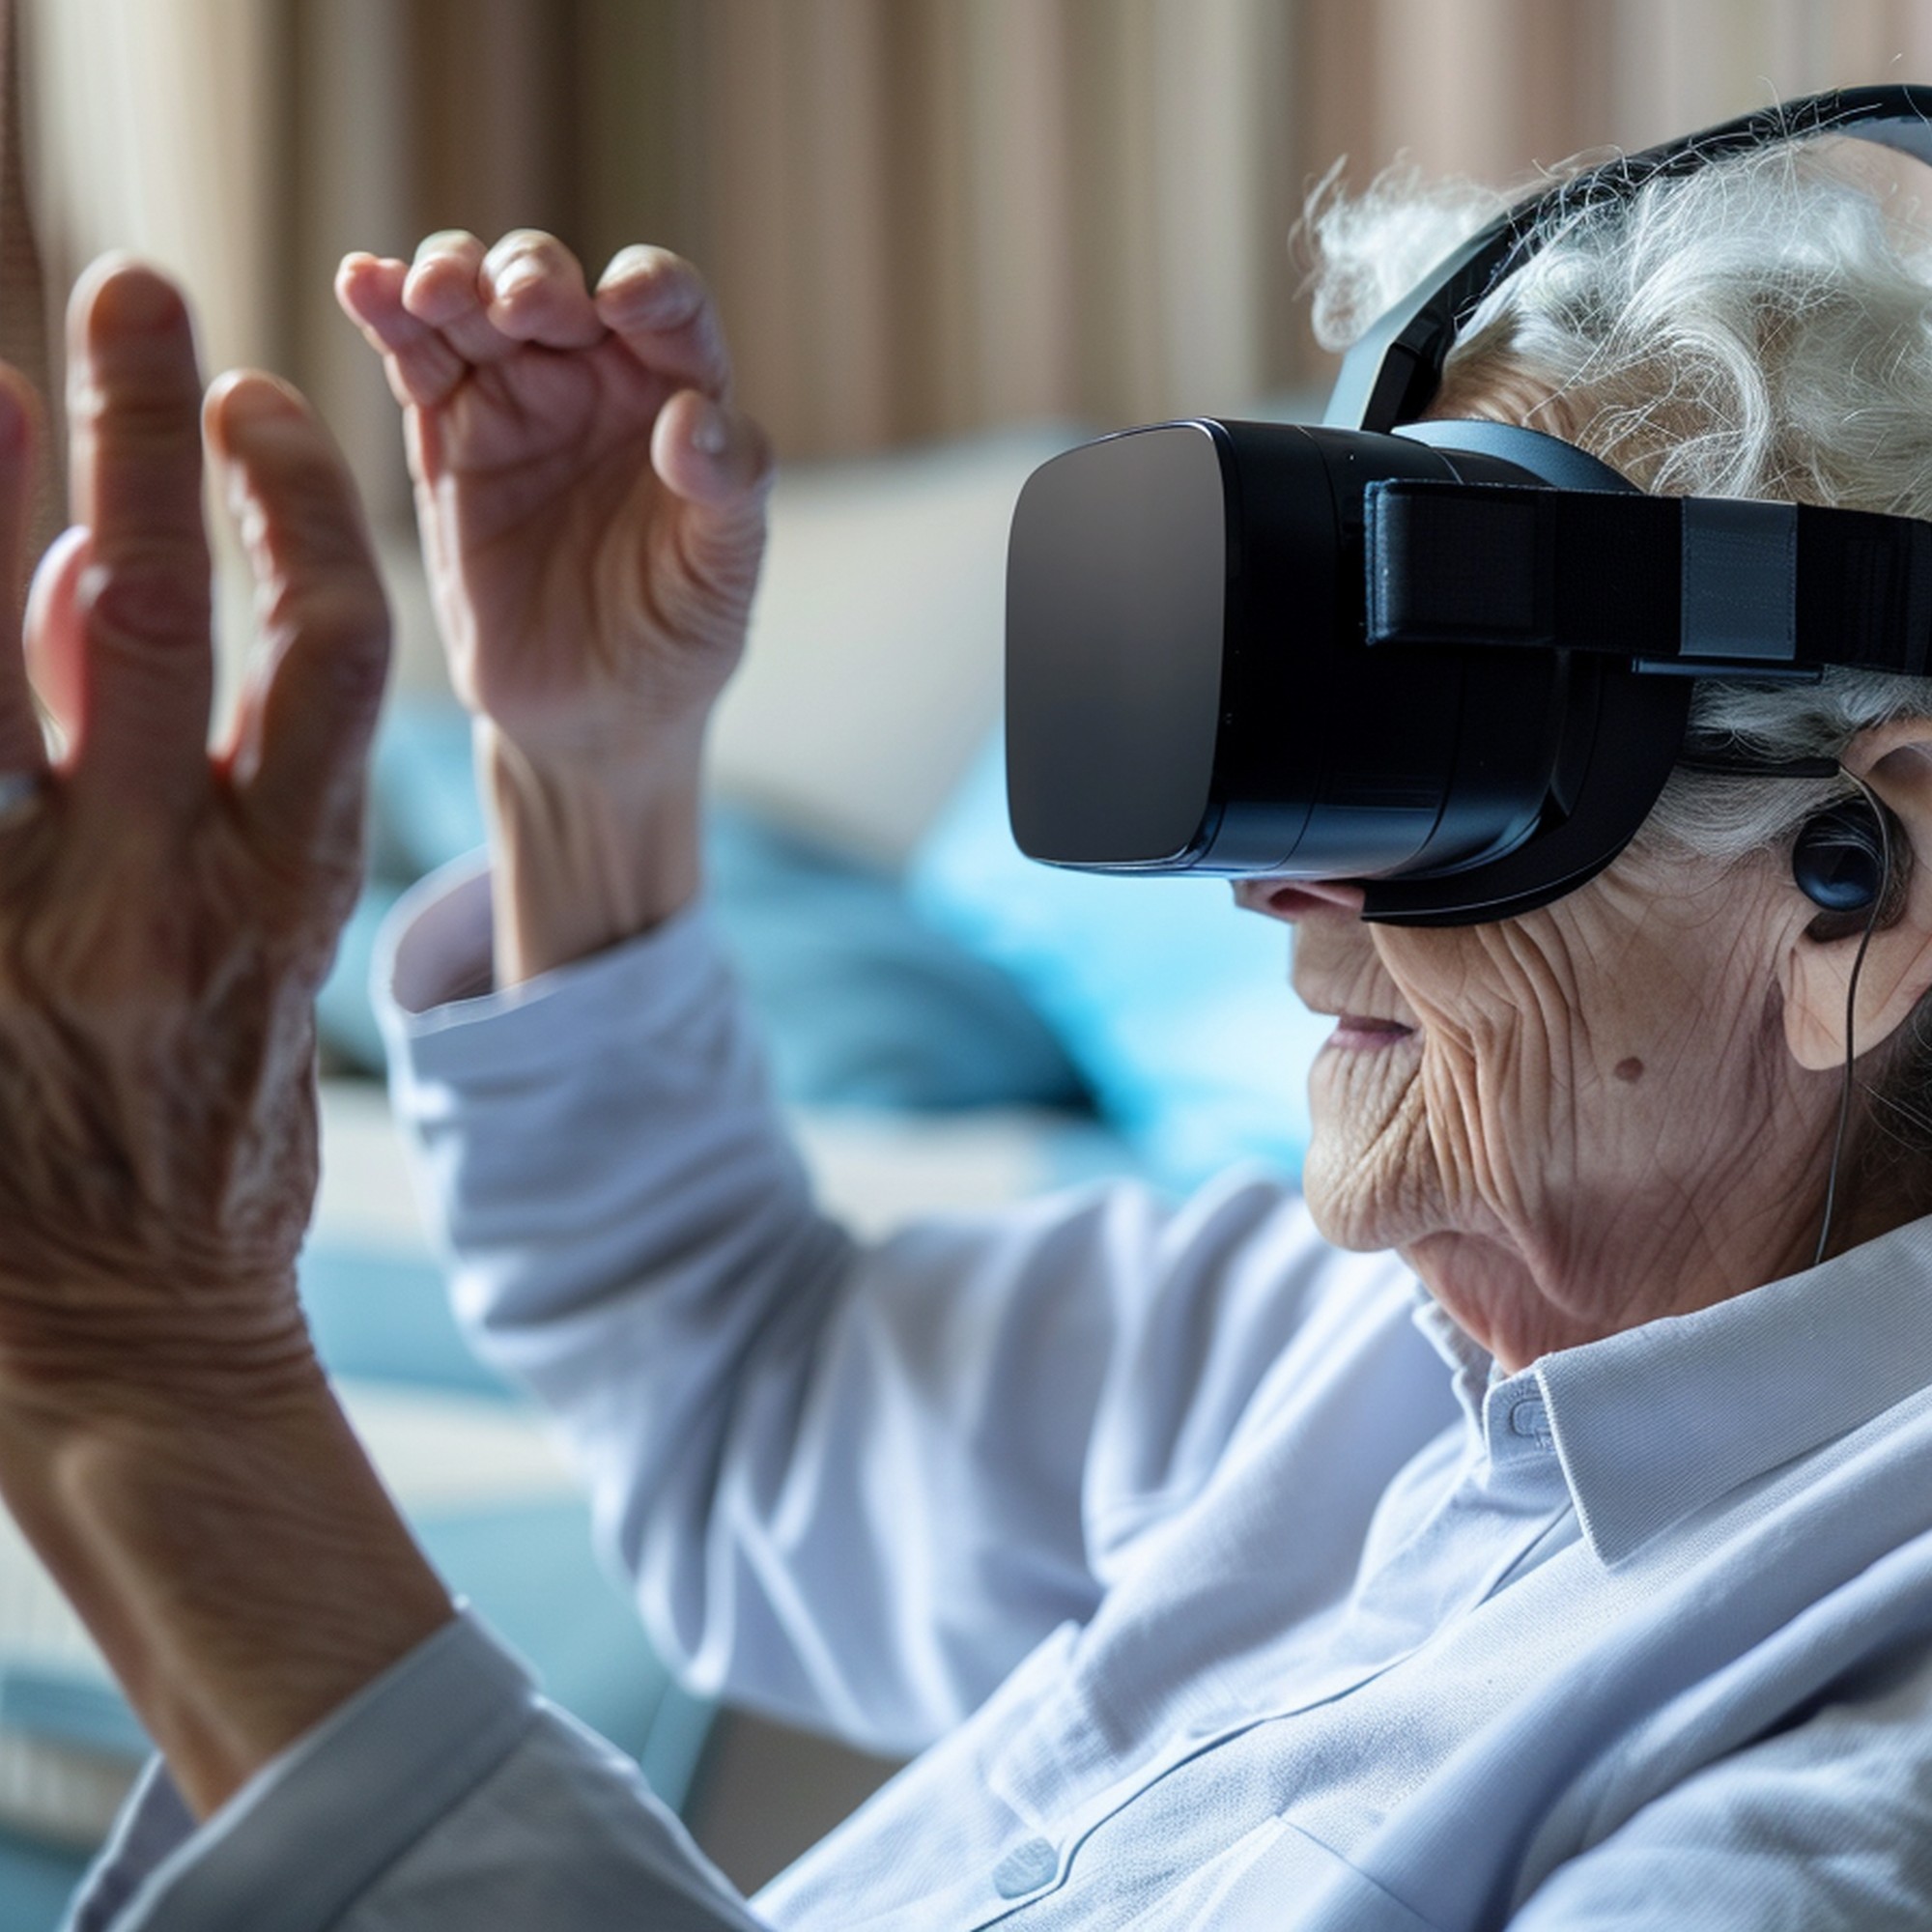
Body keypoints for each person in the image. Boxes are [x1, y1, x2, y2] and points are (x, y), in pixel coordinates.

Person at [20, 117, 1932, 1930]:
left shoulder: (1844, 1792)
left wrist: (148, 1375)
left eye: (1451, 769)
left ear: (1876, 878)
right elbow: (756, 1395)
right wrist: (583, 773)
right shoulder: (1350, 1346)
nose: (1276, 884)